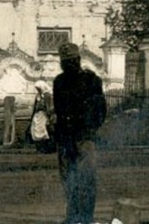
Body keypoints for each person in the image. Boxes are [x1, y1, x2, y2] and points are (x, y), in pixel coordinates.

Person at [52, 42, 107, 224]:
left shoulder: (92, 81)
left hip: (84, 139)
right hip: (66, 139)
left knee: (86, 180)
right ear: (62, 63)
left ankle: (86, 218)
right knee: (69, 180)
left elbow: (100, 110)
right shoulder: (58, 82)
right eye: (66, 62)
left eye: (72, 60)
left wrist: (89, 130)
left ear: (78, 60)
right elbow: (59, 111)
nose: (70, 64)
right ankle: (73, 217)